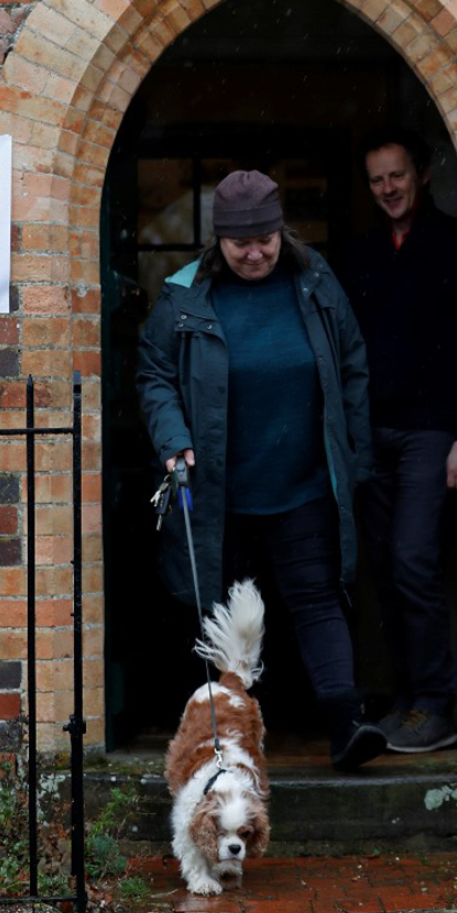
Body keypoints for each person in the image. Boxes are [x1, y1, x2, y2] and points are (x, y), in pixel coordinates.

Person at [137, 169, 386, 772]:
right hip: (220, 488)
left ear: (281, 231)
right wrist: (172, 437)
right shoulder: (184, 296)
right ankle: (219, 741)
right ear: (218, 241)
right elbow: (154, 375)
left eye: (265, 240)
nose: (255, 253)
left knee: (318, 601)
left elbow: (351, 366)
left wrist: (352, 457)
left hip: (303, 482)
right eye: (240, 244)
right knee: (219, 613)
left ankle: (344, 723)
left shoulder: (315, 281)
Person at [341, 127, 457, 754]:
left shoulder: (454, 244)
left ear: (418, 174)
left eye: (396, 175)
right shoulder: (363, 252)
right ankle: (404, 700)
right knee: (384, 572)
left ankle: (437, 707)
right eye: (376, 179)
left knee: (416, 561)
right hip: (374, 433)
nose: (388, 188)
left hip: (431, 432)